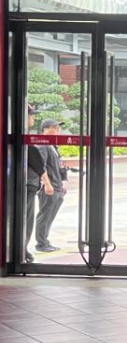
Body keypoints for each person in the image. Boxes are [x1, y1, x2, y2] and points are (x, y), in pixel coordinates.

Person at [23, 105, 53, 262]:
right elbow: (38, 164)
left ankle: (21, 249)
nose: (33, 118)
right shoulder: (26, 139)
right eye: (31, 115)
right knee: (26, 219)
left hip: (27, 184)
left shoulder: (25, 137)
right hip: (28, 184)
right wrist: (47, 183)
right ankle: (22, 250)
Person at [35, 119, 68, 252]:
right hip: (49, 187)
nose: (58, 130)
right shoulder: (42, 145)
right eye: (55, 127)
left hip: (57, 186)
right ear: (45, 130)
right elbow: (40, 166)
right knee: (45, 215)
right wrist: (47, 184)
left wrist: (64, 181)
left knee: (50, 216)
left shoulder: (53, 146)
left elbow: (60, 166)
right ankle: (41, 244)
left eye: (59, 127)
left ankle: (45, 241)